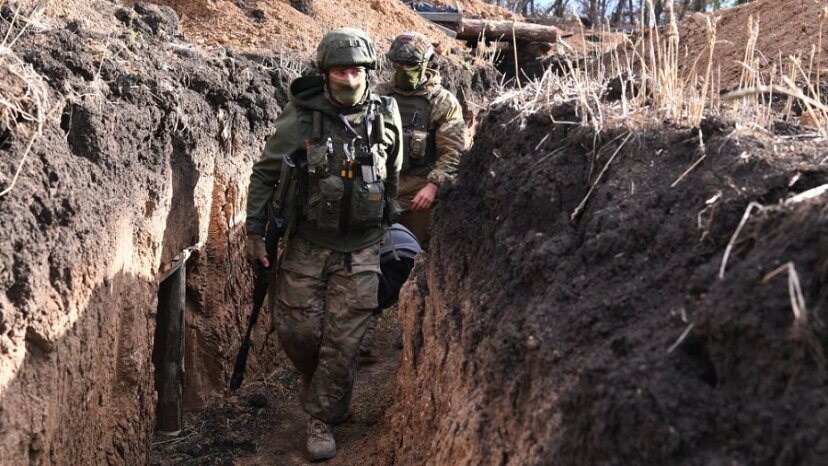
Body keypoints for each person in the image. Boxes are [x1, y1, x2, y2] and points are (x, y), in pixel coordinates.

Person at [245, 28, 403, 461]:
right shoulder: (301, 116)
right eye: (339, 70)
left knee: (344, 340)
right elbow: (264, 174)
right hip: (308, 243)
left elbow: (393, 174)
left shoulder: (387, 113)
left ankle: (321, 419)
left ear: (368, 71)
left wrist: (391, 223)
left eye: (355, 70)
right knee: (298, 332)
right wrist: (254, 233)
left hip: (364, 247)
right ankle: (316, 381)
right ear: (325, 73)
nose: (348, 78)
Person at [374, 31, 466, 245]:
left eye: (411, 65)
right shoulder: (379, 95)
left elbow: (453, 152)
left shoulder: (443, 102)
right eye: (399, 64)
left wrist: (434, 185)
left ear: (426, 64)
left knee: (415, 254)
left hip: (419, 196)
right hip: (381, 192)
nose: (404, 69)